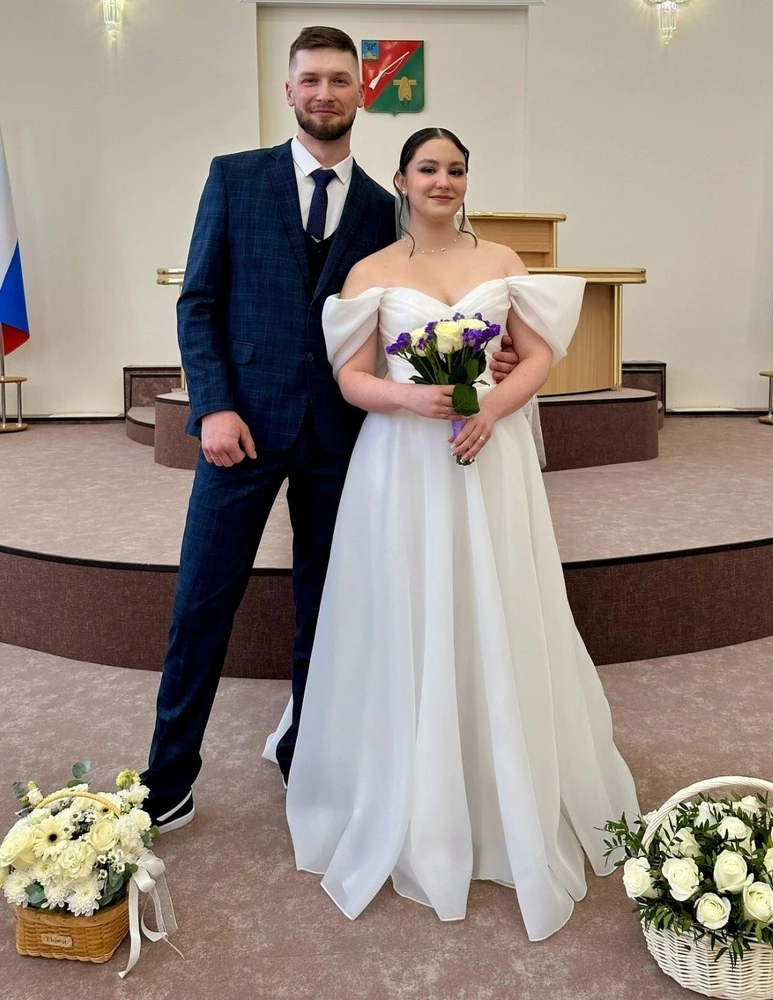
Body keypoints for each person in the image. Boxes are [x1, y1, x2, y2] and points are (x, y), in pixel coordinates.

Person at [143, 29, 517, 832]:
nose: (324, 93)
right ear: (289, 91)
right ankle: (167, 775)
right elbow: (198, 302)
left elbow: (415, 316)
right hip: (240, 427)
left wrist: (490, 354)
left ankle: (305, 754)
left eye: (340, 80)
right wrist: (213, 406)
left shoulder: (387, 210)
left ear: (360, 92)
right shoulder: (235, 177)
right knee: (202, 600)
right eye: (310, 79)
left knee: (326, 605)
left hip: (343, 437)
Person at [279, 127, 640, 941]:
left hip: (490, 449)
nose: (442, 181)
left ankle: (499, 774)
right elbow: (351, 376)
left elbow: (538, 355)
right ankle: (410, 783)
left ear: (466, 181)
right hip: (402, 461)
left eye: (455, 169)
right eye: (428, 169)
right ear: (401, 181)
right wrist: (413, 398)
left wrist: (491, 409)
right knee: (410, 602)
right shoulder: (372, 270)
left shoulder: (503, 261)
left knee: (495, 598)